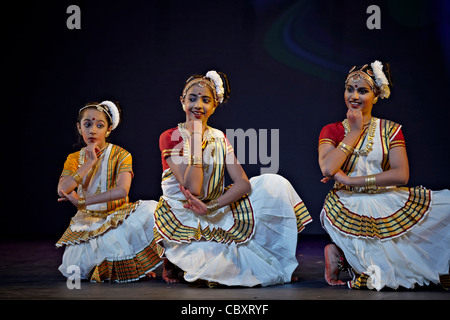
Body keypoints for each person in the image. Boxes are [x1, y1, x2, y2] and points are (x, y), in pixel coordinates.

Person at [154, 70, 312, 287]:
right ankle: (174, 256)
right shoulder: (170, 137)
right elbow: (194, 189)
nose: (198, 105)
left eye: (205, 100)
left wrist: (213, 207)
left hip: (213, 209)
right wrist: (196, 141)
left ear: (214, 105)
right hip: (184, 214)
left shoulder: (219, 137)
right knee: (218, 270)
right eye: (192, 98)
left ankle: (275, 261)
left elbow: (243, 183)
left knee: (274, 183)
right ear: (182, 102)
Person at [318, 60, 450, 290]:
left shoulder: (391, 129)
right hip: (348, 204)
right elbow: (328, 168)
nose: (354, 96)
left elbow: (401, 175)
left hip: (389, 199)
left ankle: (341, 253)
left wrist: (351, 180)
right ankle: (342, 253)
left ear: (376, 95)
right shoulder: (334, 130)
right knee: (381, 274)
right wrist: (356, 131)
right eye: (350, 89)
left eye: (362, 91)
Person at [56, 101, 162, 283]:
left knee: (154, 211)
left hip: (117, 219)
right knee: (77, 269)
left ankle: (134, 265)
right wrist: (89, 162)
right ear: (79, 127)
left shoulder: (122, 155)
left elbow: (122, 191)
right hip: (88, 223)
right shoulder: (74, 158)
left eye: (100, 125)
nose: (92, 131)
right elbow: (62, 189)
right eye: (87, 124)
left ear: (109, 129)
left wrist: (81, 202)